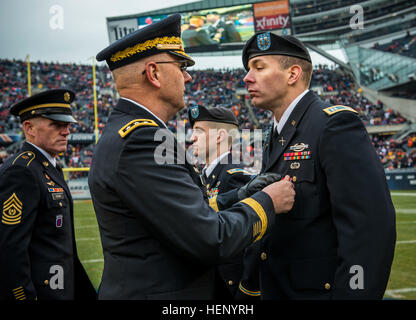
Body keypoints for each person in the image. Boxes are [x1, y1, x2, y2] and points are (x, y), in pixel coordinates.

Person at [89, 14, 295, 300]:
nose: (188, 76)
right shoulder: (142, 140)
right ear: (154, 73)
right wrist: (268, 202)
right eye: (181, 66)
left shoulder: (127, 132)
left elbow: (177, 213)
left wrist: (236, 196)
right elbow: (211, 240)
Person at [241, 32, 396, 299]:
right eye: (248, 69)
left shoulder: (333, 124)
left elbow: (369, 230)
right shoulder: (275, 134)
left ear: (292, 74)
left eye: (259, 67)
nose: (247, 77)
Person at [0, 89, 96, 300]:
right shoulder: (22, 171)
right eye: (56, 124)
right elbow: (9, 250)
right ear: (29, 128)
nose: (66, 131)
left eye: (67, 125)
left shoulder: (47, 166)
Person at [188, 105, 252, 299]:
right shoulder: (203, 175)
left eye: (199, 131)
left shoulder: (234, 176)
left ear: (220, 136)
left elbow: (242, 240)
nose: (192, 138)